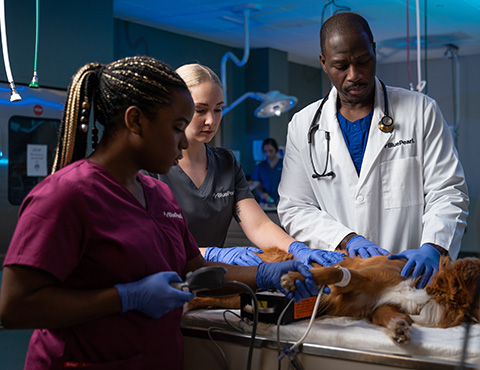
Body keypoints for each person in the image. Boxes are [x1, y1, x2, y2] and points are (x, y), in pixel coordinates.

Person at [0, 56, 319, 370]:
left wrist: (265, 275)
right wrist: (124, 298)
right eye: (177, 127)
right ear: (135, 121)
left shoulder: (158, 195)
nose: (183, 143)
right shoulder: (65, 196)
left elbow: (195, 272)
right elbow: (14, 307)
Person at [277, 12, 469, 289]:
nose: (354, 75)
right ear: (323, 63)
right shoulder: (303, 125)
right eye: (341, 66)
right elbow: (295, 207)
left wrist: (434, 246)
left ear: (374, 51)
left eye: (363, 61)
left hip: (410, 277)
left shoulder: (421, 110)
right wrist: (347, 238)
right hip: (342, 278)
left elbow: (448, 190)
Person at [144, 63, 344, 268]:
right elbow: (153, 242)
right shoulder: (149, 167)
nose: (211, 120)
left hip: (213, 284)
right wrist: (212, 253)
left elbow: (259, 226)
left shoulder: (226, 164)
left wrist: (296, 249)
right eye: (201, 110)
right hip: (162, 282)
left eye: (218, 109)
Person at [251, 138, 283, 205]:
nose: (268, 154)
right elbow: (257, 186)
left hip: (282, 201)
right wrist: (262, 194)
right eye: (265, 151)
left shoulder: (283, 164)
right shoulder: (260, 167)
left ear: (276, 150)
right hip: (265, 202)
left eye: (271, 151)